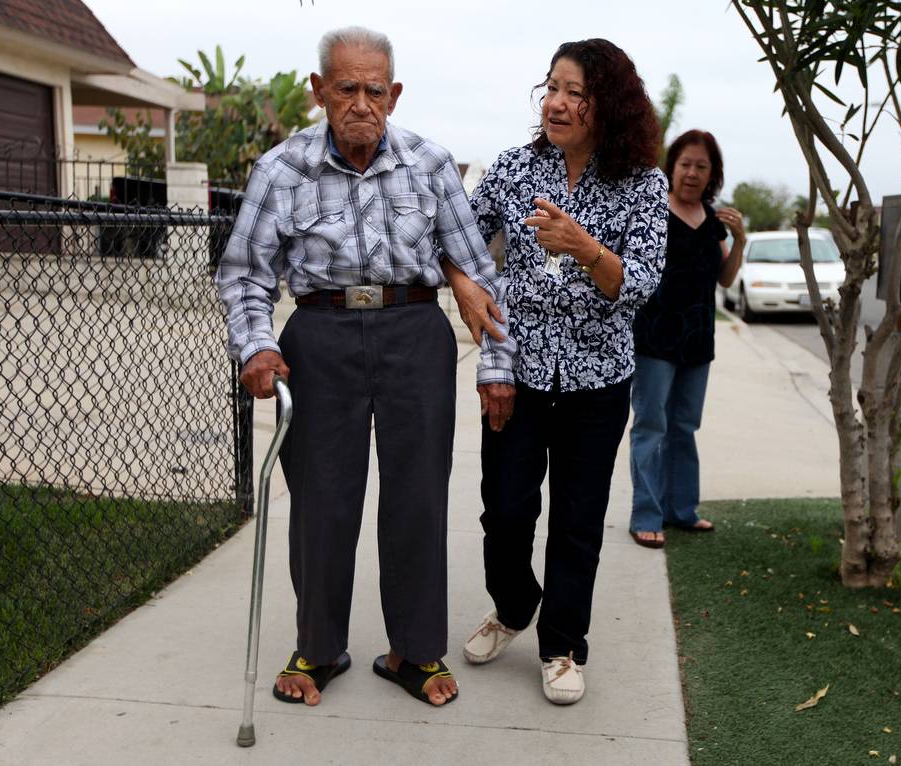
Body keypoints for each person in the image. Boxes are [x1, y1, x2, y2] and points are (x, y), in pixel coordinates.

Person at [215, 26, 516, 709]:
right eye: (345, 88)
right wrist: (256, 345)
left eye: (374, 90)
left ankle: (414, 650)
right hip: (319, 335)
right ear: (318, 91)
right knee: (321, 502)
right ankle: (317, 648)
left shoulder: (431, 163)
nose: (361, 103)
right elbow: (244, 275)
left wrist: (497, 364)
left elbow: (476, 269)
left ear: (395, 93)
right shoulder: (280, 169)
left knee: (417, 499)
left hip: (415, 330)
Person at [443, 39, 667, 705]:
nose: (557, 103)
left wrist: (585, 247)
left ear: (609, 105)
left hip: (599, 383)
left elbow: (642, 285)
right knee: (505, 513)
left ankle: (563, 643)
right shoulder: (514, 170)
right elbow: (454, 238)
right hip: (518, 373)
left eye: (575, 91)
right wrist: (463, 285)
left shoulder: (643, 184)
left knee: (577, 519)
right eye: (552, 87)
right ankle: (515, 606)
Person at [626, 130, 745, 548]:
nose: (692, 173)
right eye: (685, 164)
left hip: (698, 341)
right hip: (655, 340)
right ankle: (646, 515)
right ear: (671, 167)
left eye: (702, 166)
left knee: (684, 426)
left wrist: (740, 240)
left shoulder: (714, 222)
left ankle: (682, 511)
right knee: (651, 426)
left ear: (712, 174)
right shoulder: (653, 210)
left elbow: (726, 279)